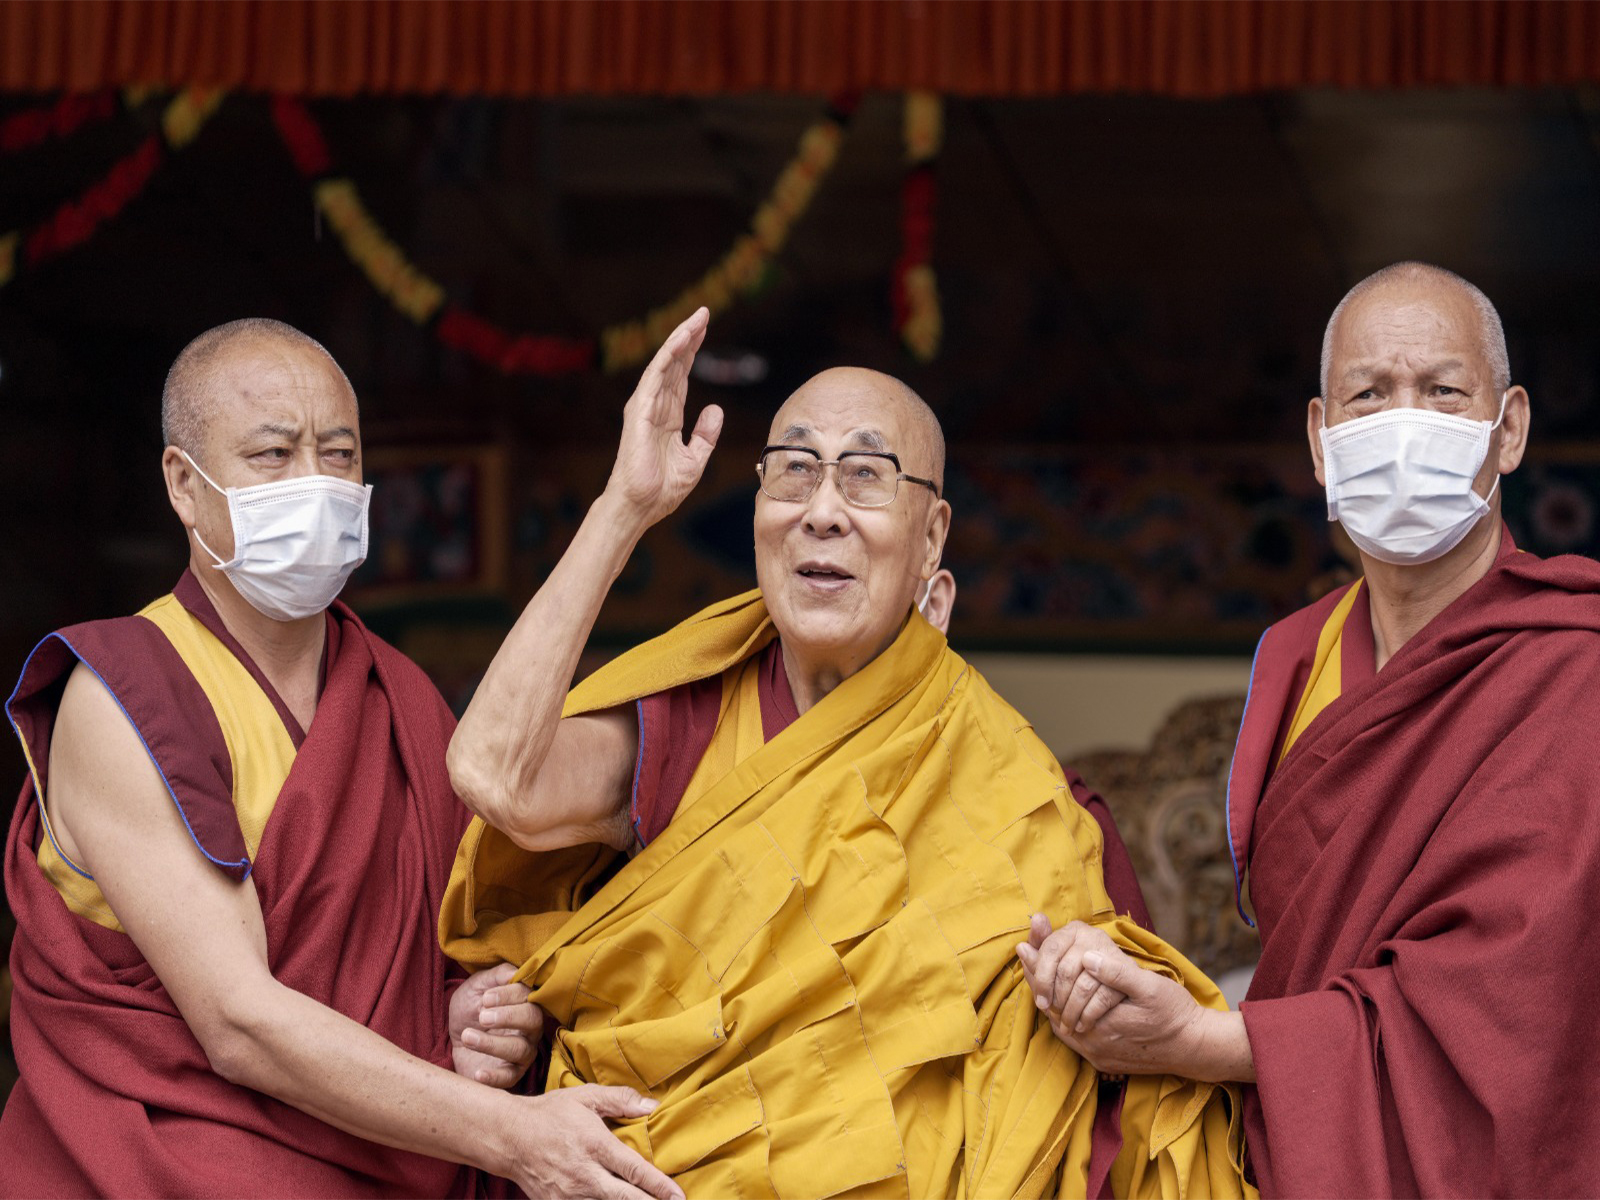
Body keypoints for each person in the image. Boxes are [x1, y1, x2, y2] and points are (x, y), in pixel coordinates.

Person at [439, 308, 1245, 1198]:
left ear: (932, 537)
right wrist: (623, 507)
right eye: (793, 472)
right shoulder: (687, 721)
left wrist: (1093, 1003)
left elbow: (1097, 1125)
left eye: (865, 477)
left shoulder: (1021, 804)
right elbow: (492, 774)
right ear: (754, 517)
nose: (822, 512)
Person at [1, 319, 679, 1199]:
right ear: (184, 485)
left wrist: (465, 1017)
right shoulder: (127, 694)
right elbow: (239, 1023)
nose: (314, 484)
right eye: (274, 455)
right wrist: (513, 1135)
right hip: (167, 1169)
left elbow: (427, 962)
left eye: (338, 453)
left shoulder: (400, 699)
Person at [1019, 262, 1600, 1196]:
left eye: (1443, 392)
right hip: (1293, 1150)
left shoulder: (1573, 667)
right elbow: (1307, 962)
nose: (1404, 423)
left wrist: (1205, 1040)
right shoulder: (1295, 657)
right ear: (1321, 441)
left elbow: (1508, 1009)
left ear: (1512, 428)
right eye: (1368, 396)